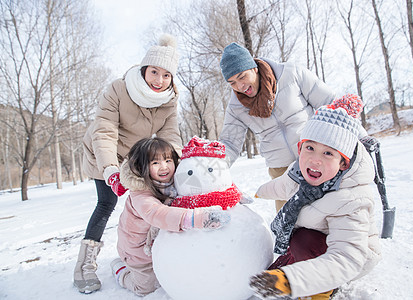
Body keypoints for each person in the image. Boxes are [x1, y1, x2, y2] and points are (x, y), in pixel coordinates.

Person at [73, 34, 183, 294]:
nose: (159, 80)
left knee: (159, 197)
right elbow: (104, 131)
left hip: (136, 158)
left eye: (166, 75)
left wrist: (180, 165)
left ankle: (140, 248)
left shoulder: (169, 99)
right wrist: (110, 168)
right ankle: (84, 265)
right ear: (144, 69)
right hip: (103, 154)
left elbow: (171, 136)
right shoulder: (119, 89)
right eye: (154, 72)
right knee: (106, 203)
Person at [249, 102, 382, 299]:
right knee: (291, 247)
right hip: (318, 242)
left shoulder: (352, 199)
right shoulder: (299, 174)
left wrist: (291, 280)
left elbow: (347, 257)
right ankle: (305, 268)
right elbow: (282, 186)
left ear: (343, 163)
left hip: (352, 256)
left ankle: (322, 290)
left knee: (303, 241)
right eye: (310, 147)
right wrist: (258, 193)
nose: (315, 159)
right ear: (300, 148)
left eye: (328, 153)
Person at [218, 42, 335, 212]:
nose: (240, 87)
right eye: (232, 83)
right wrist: (213, 168)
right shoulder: (236, 106)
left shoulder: (291, 73)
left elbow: (329, 103)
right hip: (280, 170)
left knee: (328, 212)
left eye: (242, 76)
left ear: (254, 67)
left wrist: (358, 136)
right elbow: (229, 142)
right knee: (290, 227)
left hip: (314, 157)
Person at [110, 137, 230, 296]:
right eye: (155, 163)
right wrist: (198, 218)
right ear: (141, 167)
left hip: (158, 242)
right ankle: (121, 271)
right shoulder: (140, 194)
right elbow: (158, 214)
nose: (164, 167)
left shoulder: (174, 180)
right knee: (147, 287)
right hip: (138, 251)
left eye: (168, 160)